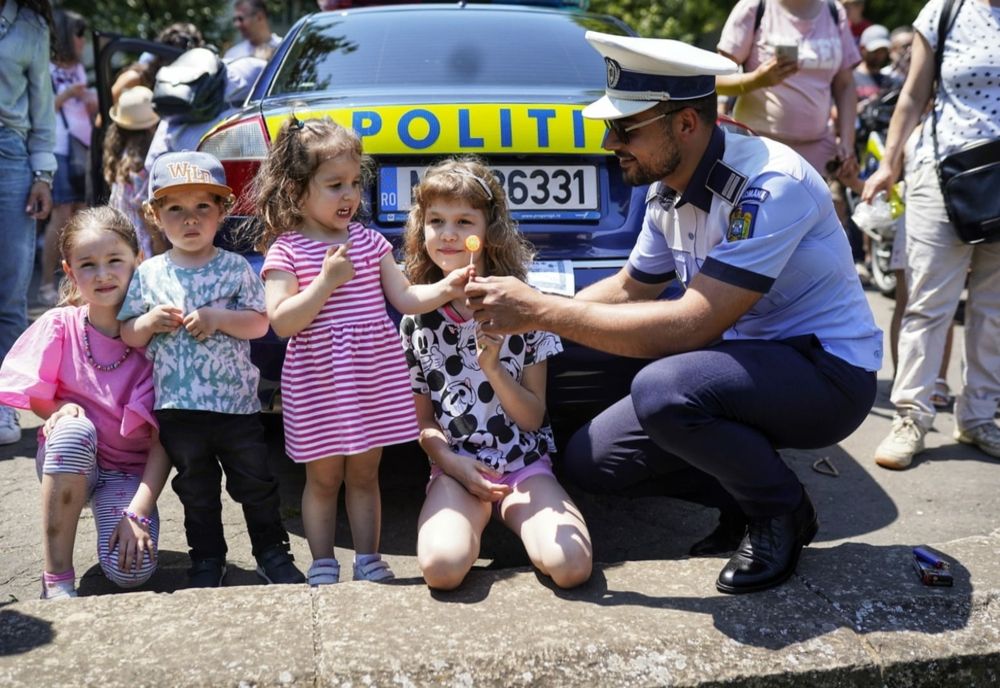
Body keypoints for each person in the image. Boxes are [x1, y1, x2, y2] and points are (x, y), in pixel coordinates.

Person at [466, 32, 882, 594]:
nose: (611, 142)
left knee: (665, 390)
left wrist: (539, 310)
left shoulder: (768, 186)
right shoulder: (668, 188)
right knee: (592, 463)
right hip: (739, 367)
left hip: (825, 374)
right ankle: (746, 493)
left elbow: (691, 325)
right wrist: (526, 330)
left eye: (626, 128)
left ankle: (780, 510)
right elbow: (630, 287)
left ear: (685, 124)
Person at [253, 116, 469, 585]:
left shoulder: (370, 243)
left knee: (366, 475)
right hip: (320, 381)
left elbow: (406, 299)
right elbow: (283, 320)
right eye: (334, 185)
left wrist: (448, 287)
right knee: (324, 478)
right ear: (296, 191)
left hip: (369, 377)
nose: (349, 195)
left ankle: (368, 558)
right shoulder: (287, 251)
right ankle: (323, 562)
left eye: (354, 183)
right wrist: (326, 283)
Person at [400, 158, 593, 591]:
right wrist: (452, 464)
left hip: (523, 464)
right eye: (436, 221)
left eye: (463, 220)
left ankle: (517, 513)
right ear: (421, 229)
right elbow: (424, 424)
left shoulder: (527, 309)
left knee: (570, 566)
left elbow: (532, 419)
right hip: (458, 469)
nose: (448, 233)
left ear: (489, 231)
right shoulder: (417, 320)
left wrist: (492, 368)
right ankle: (470, 514)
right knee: (441, 569)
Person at [118, 151, 305, 588]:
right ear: (155, 215)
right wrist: (147, 323)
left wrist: (219, 319)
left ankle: (271, 551)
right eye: (176, 209)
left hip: (236, 406)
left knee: (256, 485)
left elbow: (261, 323)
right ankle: (206, 558)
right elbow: (128, 333)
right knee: (197, 493)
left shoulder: (236, 268)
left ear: (222, 211)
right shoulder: (149, 274)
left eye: (203, 206)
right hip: (178, 408)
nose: (190, 219)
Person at [0, 206, 170, 599]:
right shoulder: (60, 325)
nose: (103, 274)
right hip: (73, 459)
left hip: (127, 473)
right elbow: (36, 395)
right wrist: (57, 409)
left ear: (138, 259)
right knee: (74, 430)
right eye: (88, 264)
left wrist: (137, 512)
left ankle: (113, 514)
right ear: (70, 270)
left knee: (132, 570)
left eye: (115, 260)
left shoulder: (159, 337)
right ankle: (56, 579)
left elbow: (166, 441)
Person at [864, 0, 1000, 469]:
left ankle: (979, 416)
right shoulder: (945, 10)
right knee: (927, 302)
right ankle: (912, 416)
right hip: (943, 175)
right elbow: (912, 95)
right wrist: (888, 165)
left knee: (994, 305)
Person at [716, 0, 861, 182]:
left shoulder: (834, 10)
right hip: (758, 153)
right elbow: (715, 80)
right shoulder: (755, 7)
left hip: (819, 156)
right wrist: (757, 80)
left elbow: (845, 85)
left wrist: (847, 142)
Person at [0, 0, 57, 446]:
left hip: (10, 157)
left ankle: (3, 406)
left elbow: (42, 105)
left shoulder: (30, 25)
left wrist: (42, 174)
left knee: (10, 288)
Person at [38, 8, 96, 307]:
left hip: (81, 146)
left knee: (82, 216)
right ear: (64, 35)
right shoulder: (45, 67)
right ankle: (46, 282)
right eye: (78, 35)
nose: (83, 42)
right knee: (60, 217)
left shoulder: (78, 68)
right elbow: (42, 107)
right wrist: (70, 93)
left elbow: (82, 109)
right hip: (58, 148)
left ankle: (76, 284)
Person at [104, 86, 163, 258]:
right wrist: (158, 242)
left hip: (120, 232)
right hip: (141, 240)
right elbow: (143, 209)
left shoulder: (120, 154)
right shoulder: (143, 163)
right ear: (153, 125)